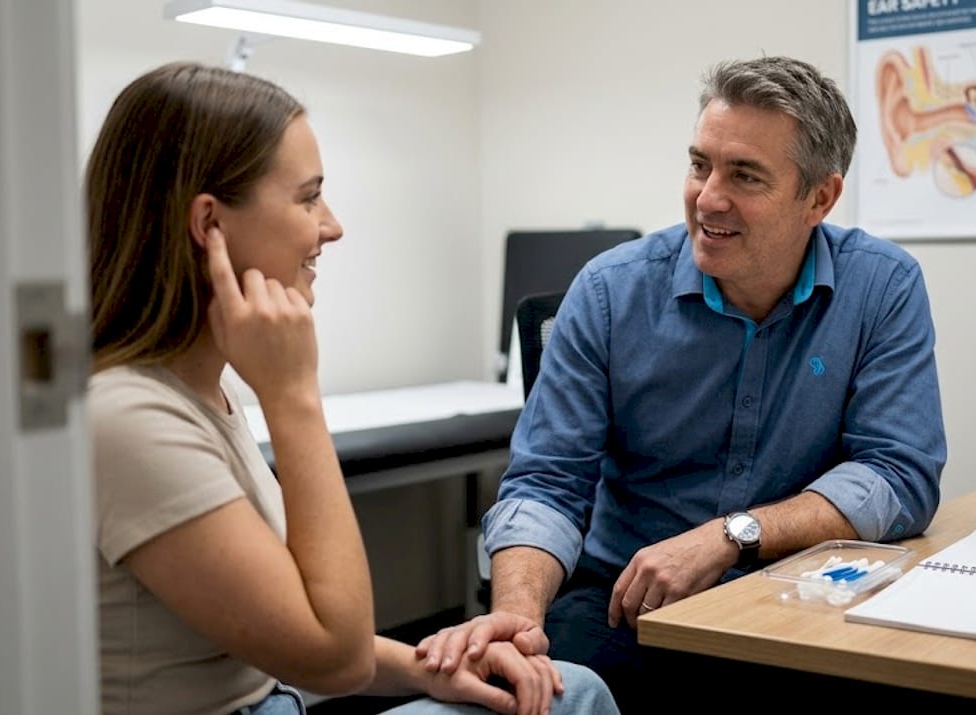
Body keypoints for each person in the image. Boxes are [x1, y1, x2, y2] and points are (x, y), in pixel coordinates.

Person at [416, 56, 947, 711]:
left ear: (820, 197)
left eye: (745, 175)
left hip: (796, 592)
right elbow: (547, 483)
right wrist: (518, 620)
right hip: (625, 596)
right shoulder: (611, 292)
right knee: (540, 695)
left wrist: (730, 534)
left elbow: (900, 472)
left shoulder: (881, 287)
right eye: (700, 165)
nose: (709, 197)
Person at [87, 61, 618, 715]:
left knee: (573, 688)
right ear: (210, 226)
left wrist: (436, 666)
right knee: (574, 698)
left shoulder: (192, 396)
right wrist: (293, 395)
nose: (330, 225)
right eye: (308, 197)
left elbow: (290, 633)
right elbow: (331, 655)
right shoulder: (128, 419)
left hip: (277, 698)